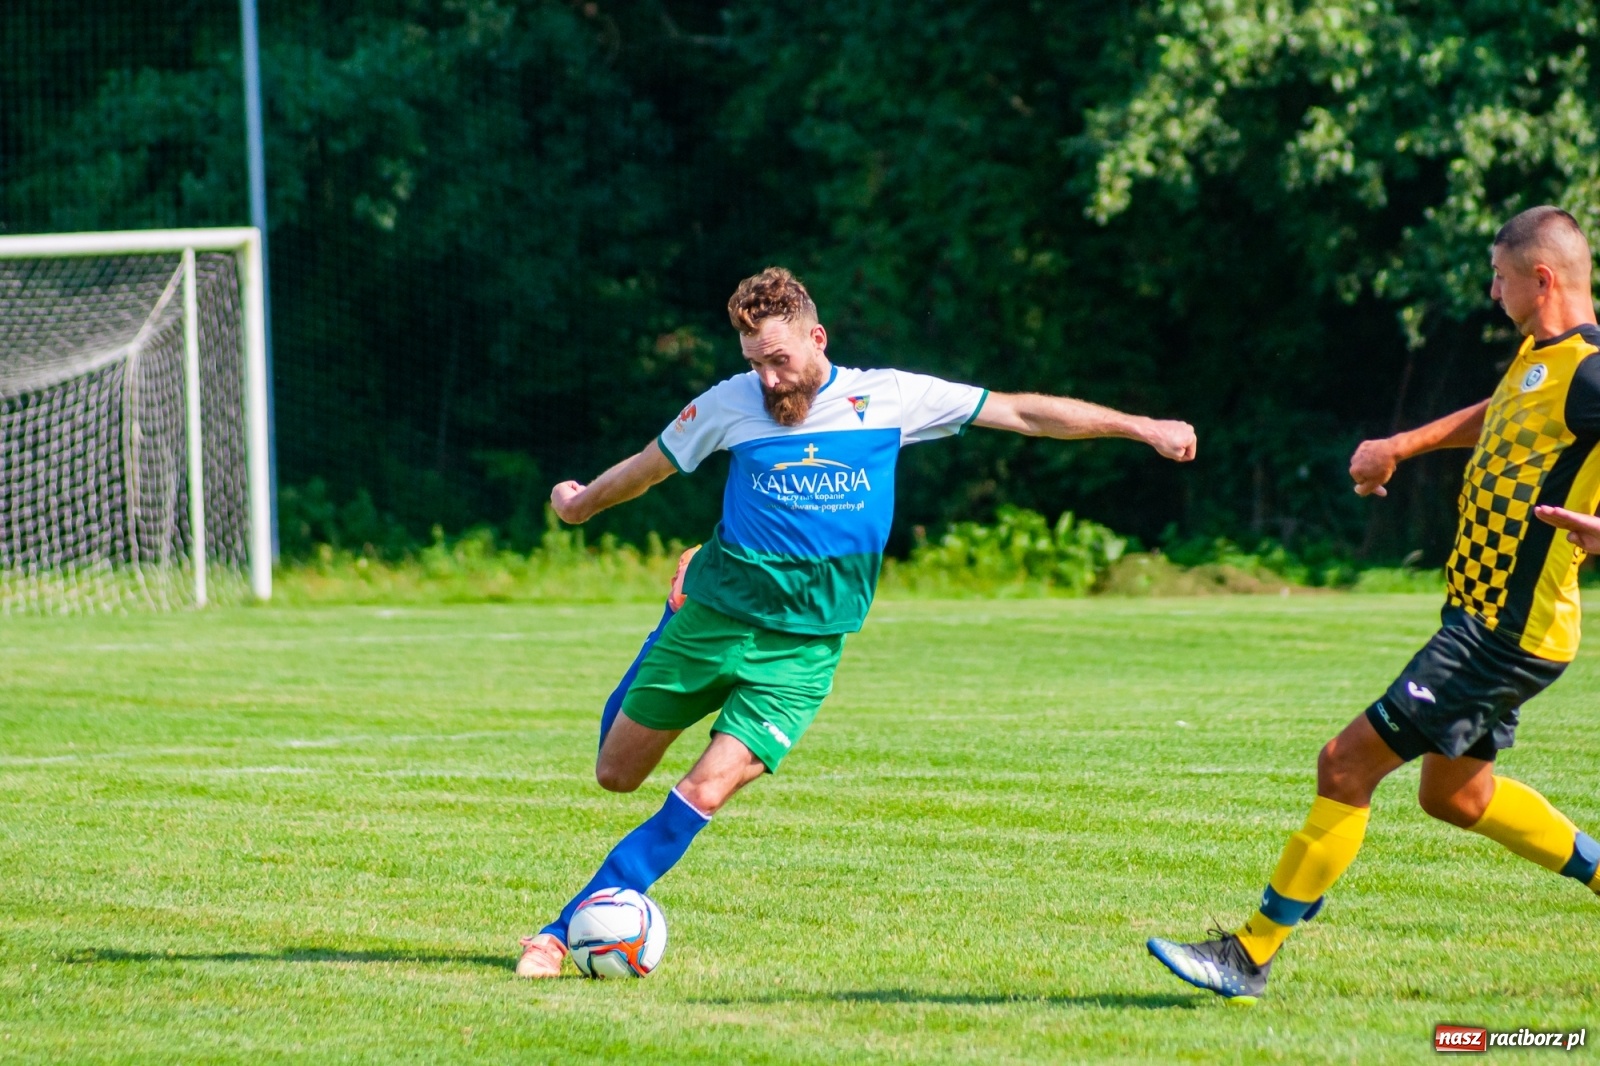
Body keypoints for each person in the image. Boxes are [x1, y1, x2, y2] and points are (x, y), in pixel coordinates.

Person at [517, 266, 1198, 976]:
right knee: (614, 774)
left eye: (780, 360)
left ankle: (561, 931)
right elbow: (649, 468)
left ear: (817, 338)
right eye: (756, 364)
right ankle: (670, 616)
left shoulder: (889, 398)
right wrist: (580, 505)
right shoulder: (729, 403)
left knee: (705, 789)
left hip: (805, 653)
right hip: (714, 619)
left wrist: (1140, 426)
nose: (770, 381)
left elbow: (1022, 411)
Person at [1147, 205, 1600, 1003]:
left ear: (1542, 277)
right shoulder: (1542, 359)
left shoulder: (1594, 370)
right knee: (1456, 797)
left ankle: (1248, 954)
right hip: (1483, 620)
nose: (1491, 293)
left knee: (1344, 763)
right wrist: (1400, 445)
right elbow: (1501, 419)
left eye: (1499, 277)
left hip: (1504, 632)